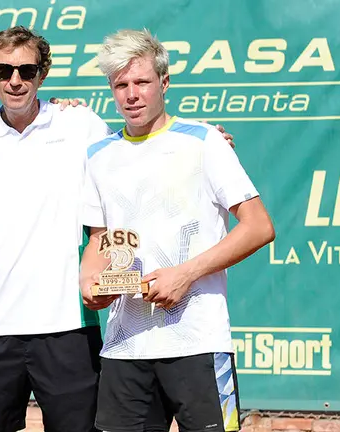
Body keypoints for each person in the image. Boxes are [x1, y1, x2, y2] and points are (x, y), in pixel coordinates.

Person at [0, 26, 236, 432]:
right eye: (4, 70)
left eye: (27, 70)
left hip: (70, 327)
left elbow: (142, 144)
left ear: (42, 74)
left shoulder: (80, 124)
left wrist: (208, 140)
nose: (16, 80)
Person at [79, 29, 276, 432]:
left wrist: (185, 273)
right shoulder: (98, 156)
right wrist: (89, 283)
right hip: (124, 346)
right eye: (121, 85)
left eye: (142, 82)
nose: (131, 94)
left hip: (198, 342)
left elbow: (258, 226)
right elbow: (100, 238)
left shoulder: (204, 141)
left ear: (164, 83)